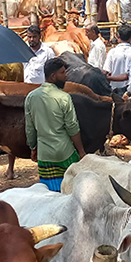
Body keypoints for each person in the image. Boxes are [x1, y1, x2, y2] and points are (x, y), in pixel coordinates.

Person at [26, 58, 86, 191]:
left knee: (51, 193)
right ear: (53, 76)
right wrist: (81, 151)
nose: (66, 75)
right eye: (62, 72)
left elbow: (30, 128)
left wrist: (33, 148)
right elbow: (72, 128)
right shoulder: (64, 97)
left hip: (44, 155)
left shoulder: (31, 97)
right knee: (70, 191)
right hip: (65, 153)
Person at [103, 25, 131, 95]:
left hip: (115, 88)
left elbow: (107, 70)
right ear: (130, 37)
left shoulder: (112, 52)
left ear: (117, 36)